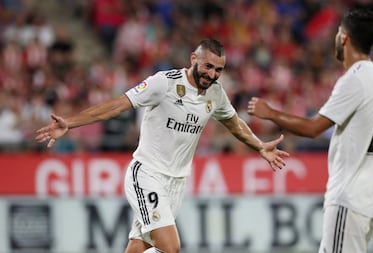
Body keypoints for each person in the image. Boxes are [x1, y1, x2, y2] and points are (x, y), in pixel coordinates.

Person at [35, 38, 289, 253]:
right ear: (193, 59)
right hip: (147, 174)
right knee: (171, 248)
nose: (211, 74)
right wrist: (70, 122)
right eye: (208, 66)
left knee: (138, 247)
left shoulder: (216, 93)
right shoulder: (163, 83)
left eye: (218, 70)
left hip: (176, 183)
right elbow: (118, 105)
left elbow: (233, 123)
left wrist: (258, 146)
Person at [247, 8, 373, 253]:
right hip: (370, 198)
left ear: (344, 37)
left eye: (337, 33)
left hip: (349, 198)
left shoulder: (354, 80)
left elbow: (314, 128)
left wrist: (271, 113)